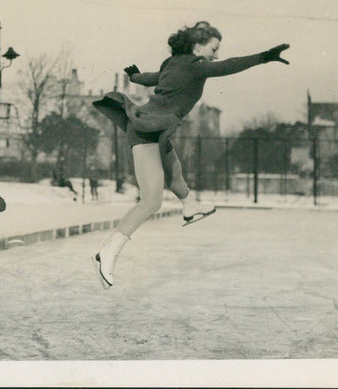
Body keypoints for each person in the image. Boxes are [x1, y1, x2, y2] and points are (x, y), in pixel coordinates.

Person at [92, 21, 290, 288]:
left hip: (154, 126)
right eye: (214, 48)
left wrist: (135, 76)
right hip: (146, 131)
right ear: (198, 45)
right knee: (151, 202)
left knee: (175, 173)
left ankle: (191, 205)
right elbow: (228, 65)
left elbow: (151, 78)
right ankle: (108, 252)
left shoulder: (170, 63)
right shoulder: (197, 66)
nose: (216, 55)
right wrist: (264, 57)